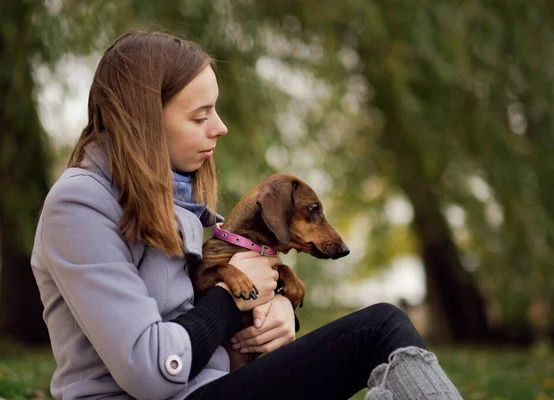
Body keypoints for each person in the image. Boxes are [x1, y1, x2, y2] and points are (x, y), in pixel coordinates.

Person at [31, 29, 462, 400]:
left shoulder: (185, 206)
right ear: (143, 120)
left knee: (383, 331)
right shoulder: (79, 206)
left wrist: (276, 316)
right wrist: (234, 300)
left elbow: (233, 295)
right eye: (200, 116)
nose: (219, 127)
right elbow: (149, 369)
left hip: (215, 387)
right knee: (379, 328)